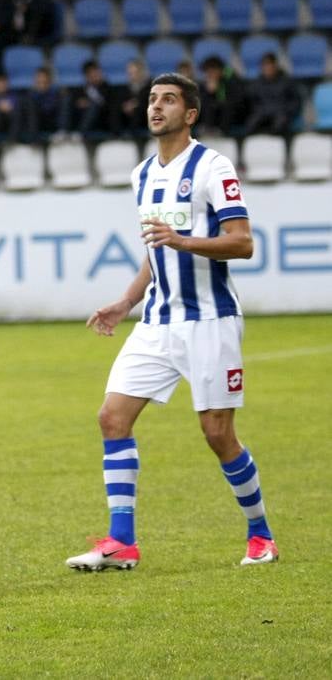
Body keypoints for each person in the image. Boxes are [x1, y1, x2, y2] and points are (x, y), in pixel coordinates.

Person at [70, 72, 277, 572]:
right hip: (158, 320)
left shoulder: (213, 166)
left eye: (168, 100)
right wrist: (126, 301)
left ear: (191, 113)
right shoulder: (142, 173)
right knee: (111, 418)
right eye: (151, 99)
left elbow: (243, 241)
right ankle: (122, 543)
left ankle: (261, 535)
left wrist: (184, 241)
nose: (156, 107)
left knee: (217, 433)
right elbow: (154, 249)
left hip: (210, 319)